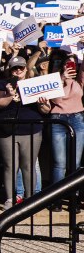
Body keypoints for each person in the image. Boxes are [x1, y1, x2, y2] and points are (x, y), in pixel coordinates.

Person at [0, 55, 44, 209]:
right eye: (15, 68)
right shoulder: (3, 83)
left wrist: (44, 103)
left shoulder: (34, 83)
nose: (18, 70)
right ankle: (9, 199)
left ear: (26, 69)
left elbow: (45, 109)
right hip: (7, 130)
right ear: (10, 70)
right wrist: (9, 95)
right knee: (10, 165)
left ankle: (30, 198)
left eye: (21, 67)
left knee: (28, 165)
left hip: (31, 128)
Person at [38, 54, 84, 210]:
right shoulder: (54, 79)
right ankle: (56, 199)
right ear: (62, 65)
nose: (70, 67)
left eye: (73, 64)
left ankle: (74, 199)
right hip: (58, 119)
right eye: (67, 64)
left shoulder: (79, 80)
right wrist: (62, 78)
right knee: (60, 164)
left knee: (76, 163)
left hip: (78, 119)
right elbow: (55, 100)